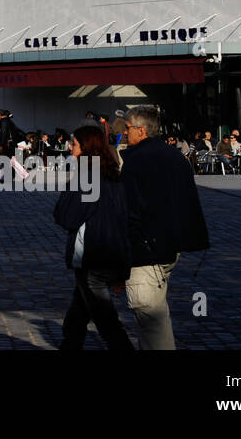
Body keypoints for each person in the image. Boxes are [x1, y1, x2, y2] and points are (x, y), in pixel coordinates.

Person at [120, 105, 210, 349]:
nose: (125, 134)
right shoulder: (173, 156)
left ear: (141, 130)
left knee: (151, 319)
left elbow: (130, 210)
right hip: (171, 246)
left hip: (145, 251)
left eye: (128, 129)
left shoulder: (137, 160)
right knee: (156, 313)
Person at [55, 125, 134, 350]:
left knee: (106, 321)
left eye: (75, 144)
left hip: (93, 256)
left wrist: (70, 187)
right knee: (78, 315)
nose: (70, 147)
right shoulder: (112, 175)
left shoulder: (87, 177)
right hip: (110, 254)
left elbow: (66, 217)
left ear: (87, 148)